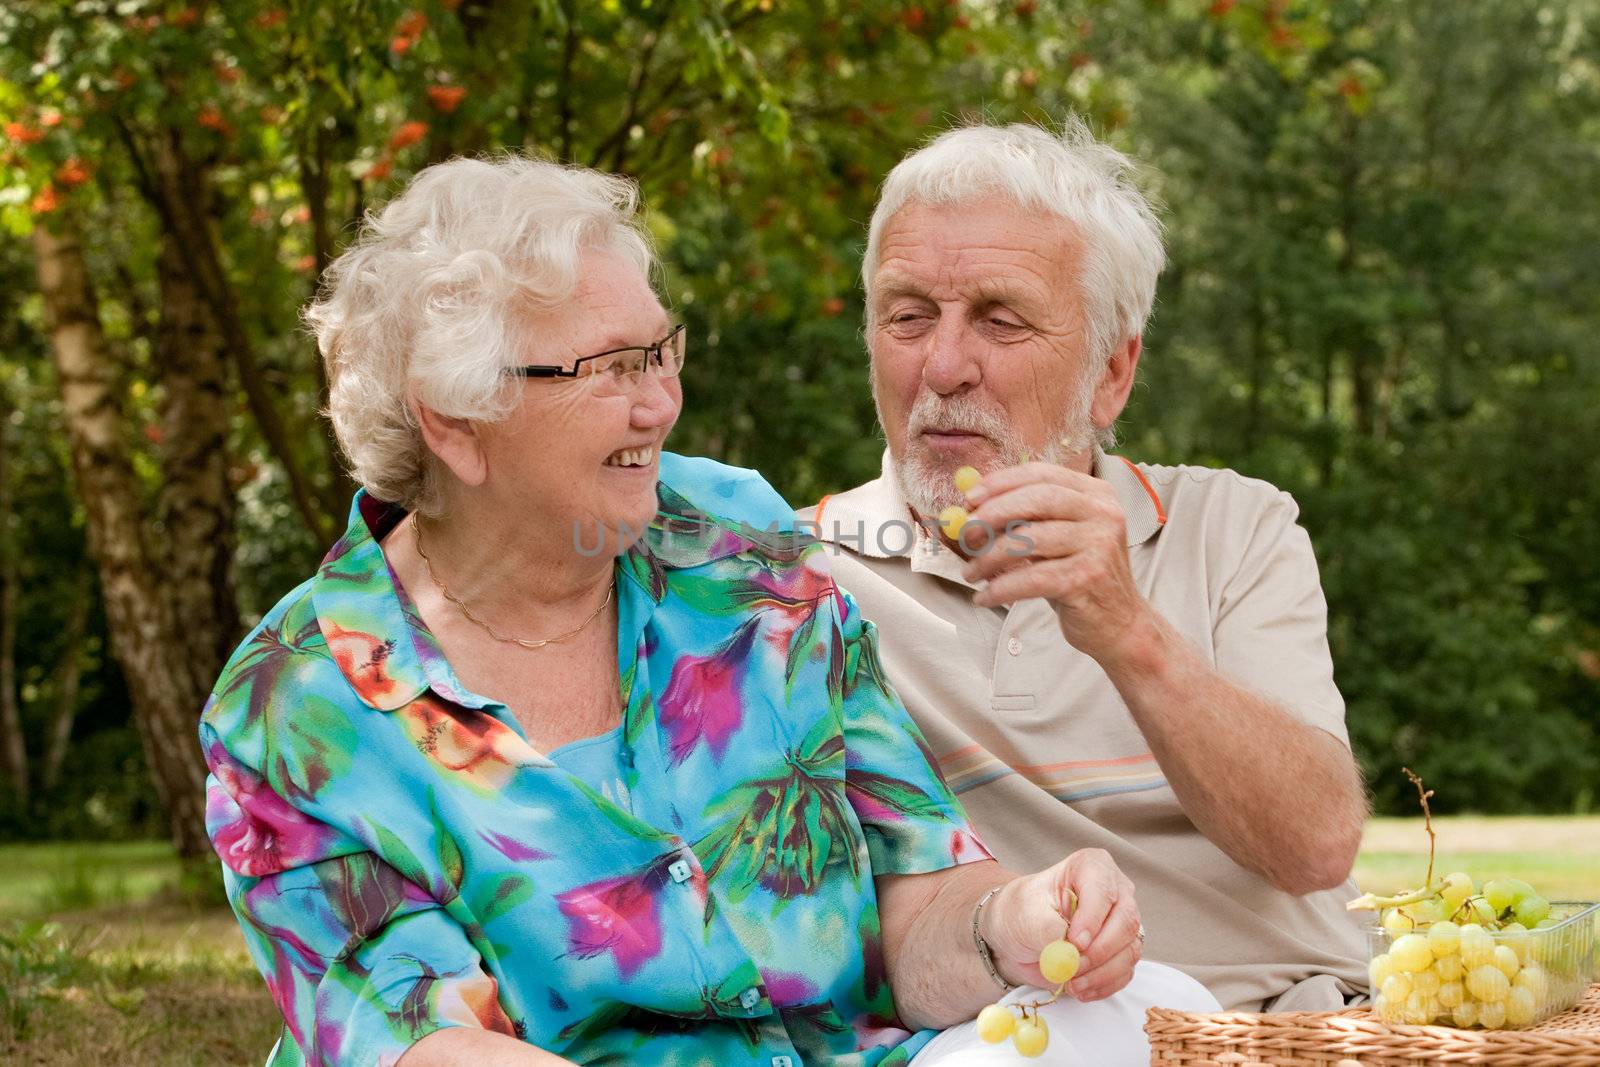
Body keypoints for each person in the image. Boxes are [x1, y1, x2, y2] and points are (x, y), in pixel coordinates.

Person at [199, 153, 1215, 1067]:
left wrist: (1013, 918)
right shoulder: (297, 705)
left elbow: (911, 891)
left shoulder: (737, 542)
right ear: (456, 422)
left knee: (1146, 1009)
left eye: (660, 351)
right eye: (610, 369)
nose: (659, 404)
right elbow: (423, 1041)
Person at [801, 120, 1371, 1013]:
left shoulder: (1233, 525)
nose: (943, 365)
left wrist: (1126, 628)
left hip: (1283, 1027)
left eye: (1002, 319)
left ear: (1113, 371)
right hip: (1012, 1036)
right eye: (908, 316)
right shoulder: (797, 575)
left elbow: (1315, 846)